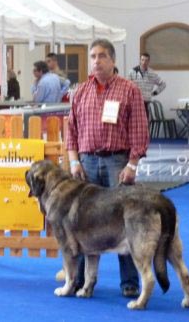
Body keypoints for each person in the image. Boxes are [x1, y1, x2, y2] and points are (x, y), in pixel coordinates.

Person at [67, 38, 149, 298]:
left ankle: (129, 282)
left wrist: (132, 163)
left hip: (117, 162)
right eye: (92, 56)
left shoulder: (129, 89)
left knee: (124, 221)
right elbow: (71, 131)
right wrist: (74, 160)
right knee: (82, 222)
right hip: (87, 163)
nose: (96, 61)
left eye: (102, 56)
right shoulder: (79, 91)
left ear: (113, 60)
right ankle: (79, 279)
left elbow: (139, 129)